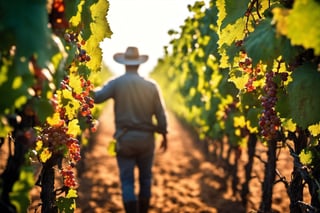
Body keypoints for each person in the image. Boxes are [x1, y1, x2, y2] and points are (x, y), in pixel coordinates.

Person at [93, 46, 168, 213]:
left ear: (124, 64)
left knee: (127, 180)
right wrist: (164, 135)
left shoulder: (117, 83)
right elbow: (161, 114)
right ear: (139, 65)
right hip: (146, 139)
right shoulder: (151, 86)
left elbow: (96, 98)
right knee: (146, 178)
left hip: (124, 138)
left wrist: (79, 87)